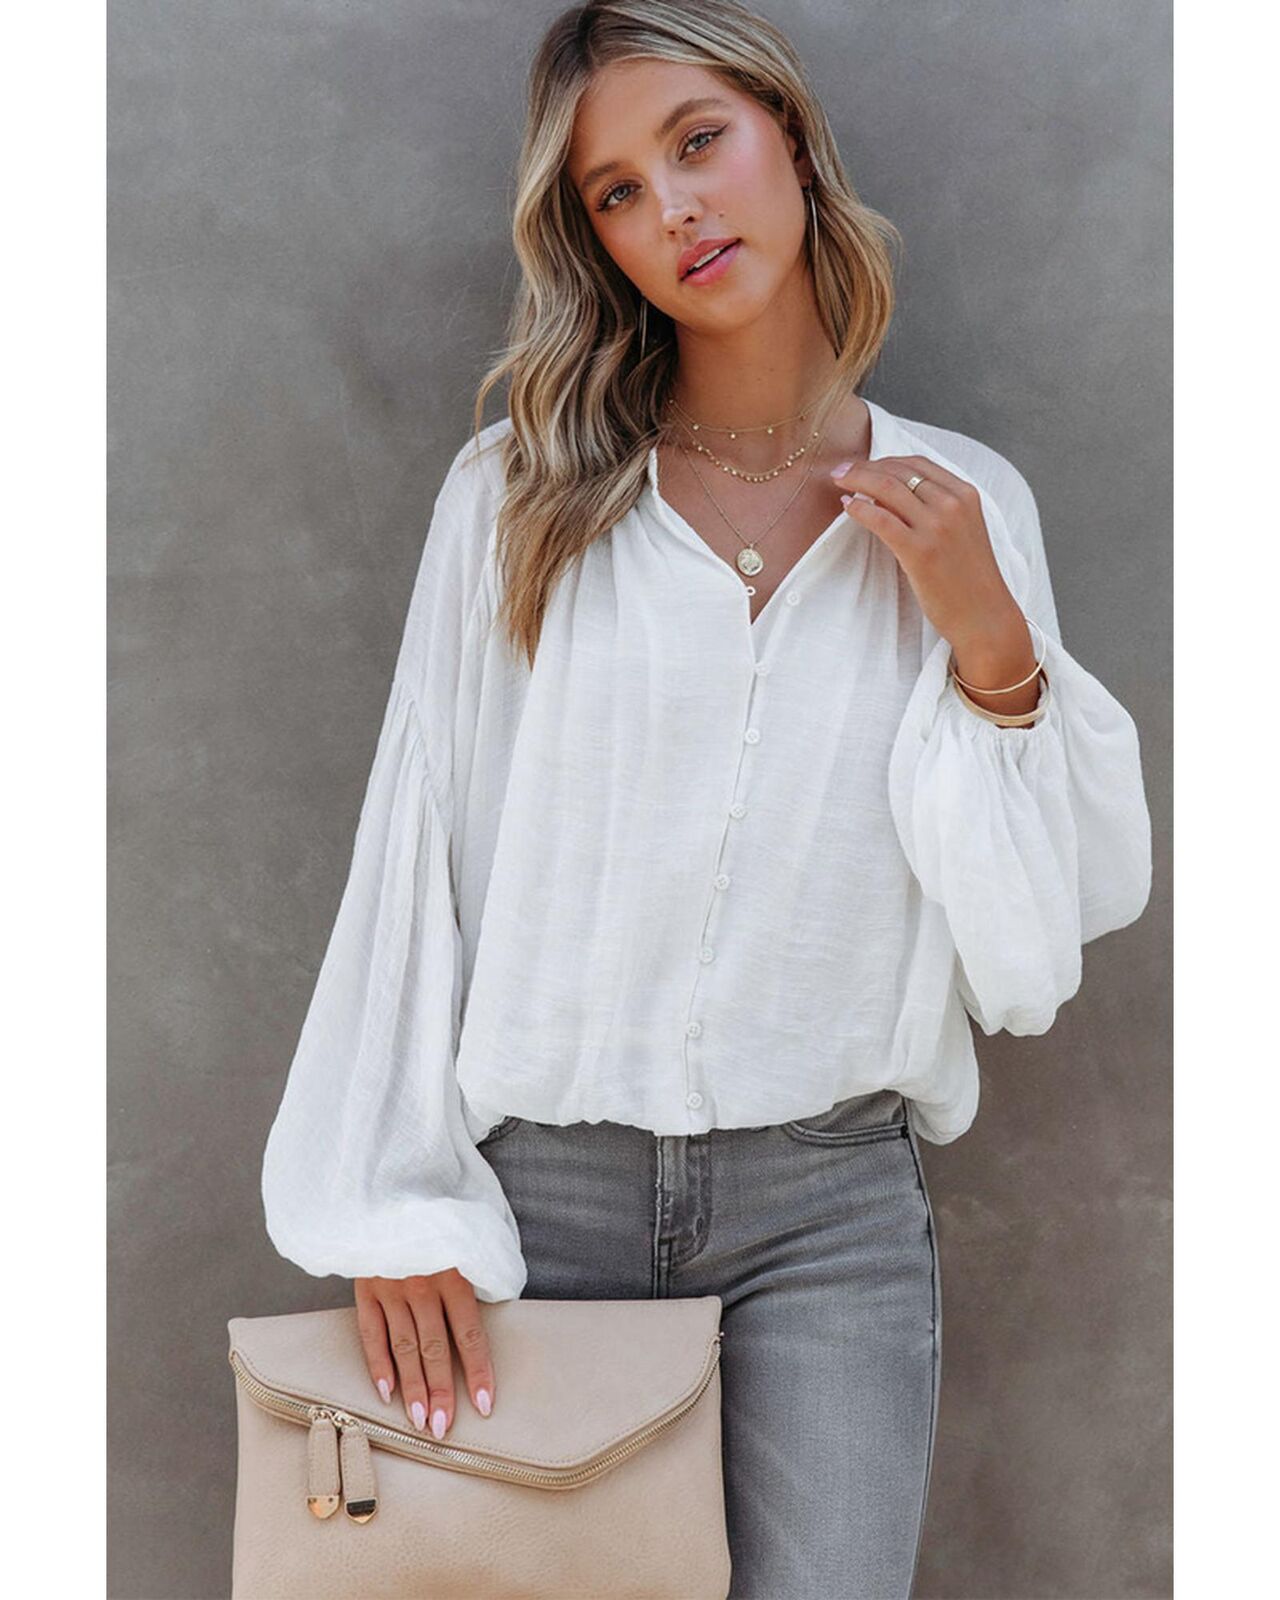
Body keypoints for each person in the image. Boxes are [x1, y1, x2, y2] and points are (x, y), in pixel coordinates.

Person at [259, 2, 1153, 1594]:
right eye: (618, 191)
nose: (673, 207)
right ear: (594, 240)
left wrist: (992, 646)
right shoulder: (517, 502)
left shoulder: (966, 506)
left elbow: (1034, 949)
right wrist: (393, 1201)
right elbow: (417, 853)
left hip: (832, 1217)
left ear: (788, 136)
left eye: (699, 142)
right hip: (545, 1205)